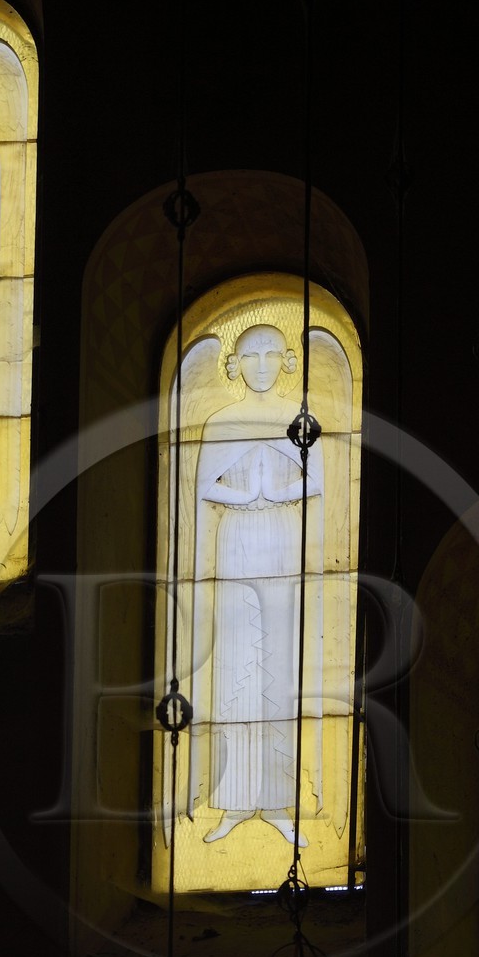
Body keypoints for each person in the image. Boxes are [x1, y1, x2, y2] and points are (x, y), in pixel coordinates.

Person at [193, 325, 322, 845]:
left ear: (287, 360)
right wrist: (246, 498)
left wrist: (280, 488)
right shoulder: (222, 421)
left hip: (283, 540)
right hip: (238, 542)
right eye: (251, 355)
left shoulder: (301, 419)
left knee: (278, 666)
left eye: (272, 353)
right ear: (235, 364)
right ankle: (233, 802)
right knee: (236, 668)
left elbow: (316, 480)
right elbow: (204, 484)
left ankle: (277, 801)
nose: (263, 363)